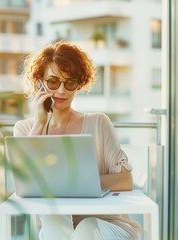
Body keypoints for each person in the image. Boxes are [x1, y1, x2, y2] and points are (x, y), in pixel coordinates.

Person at [13, 40, 141, 240]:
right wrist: (39, 123)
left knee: (87, 227)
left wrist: (76, 184)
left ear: (79, 84)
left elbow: (125, 180)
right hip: (56, 230)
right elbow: (24, 183)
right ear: (40, 82)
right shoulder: (25, 129)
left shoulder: (99, 123)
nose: (62, 91)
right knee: (51, 209)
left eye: (70, 82)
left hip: (108, 227)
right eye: (53, 81)